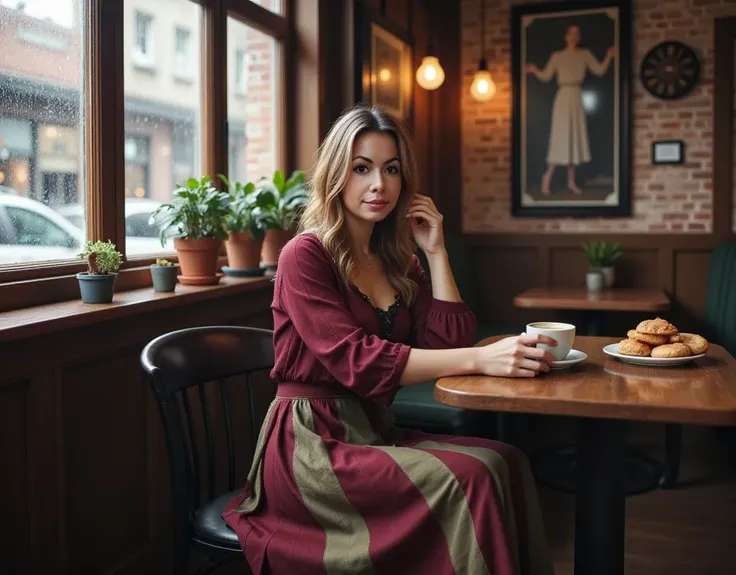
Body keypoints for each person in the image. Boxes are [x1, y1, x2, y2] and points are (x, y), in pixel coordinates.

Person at [223, 104, 557, 575]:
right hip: (313, 448)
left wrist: (436, 252)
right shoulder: (304, 255)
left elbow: (444, 344)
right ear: (337, 174)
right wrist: (482, 359)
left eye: (391, 169)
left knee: (508, 461)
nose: (378, 184)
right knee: (476, 476)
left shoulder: (397, 261)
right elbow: (358, 361)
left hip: (372, 429)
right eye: (362, 168)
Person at [526, 24, 615, 196]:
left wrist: (609, 56)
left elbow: (600, 70)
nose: (573, 37)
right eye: (570, 33)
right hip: (563, 97)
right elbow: (546, 76)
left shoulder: (585, 54)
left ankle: (571, 182)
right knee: (560, 138)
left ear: (579, 37)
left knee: (574, 139)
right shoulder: (557, 56)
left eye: (576, 34)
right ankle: (547, 177)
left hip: (576, 96)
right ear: (565, 36)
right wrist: (534, 70)